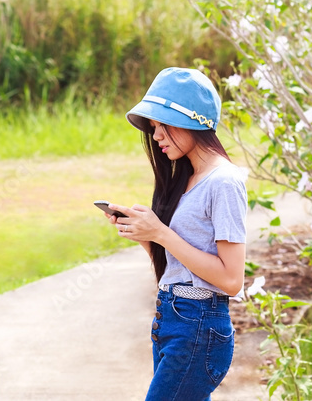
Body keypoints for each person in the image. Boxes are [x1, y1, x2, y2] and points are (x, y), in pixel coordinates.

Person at [103, 66, 248, 401]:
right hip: (171, 320)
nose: (155, 136)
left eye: (161, 125)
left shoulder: (224, 182)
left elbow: (231, 279)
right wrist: (147, 236)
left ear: (190, 121)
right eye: (152, 128)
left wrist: (163, 233)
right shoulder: (187, 180)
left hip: (197, 326)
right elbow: (180, 269)